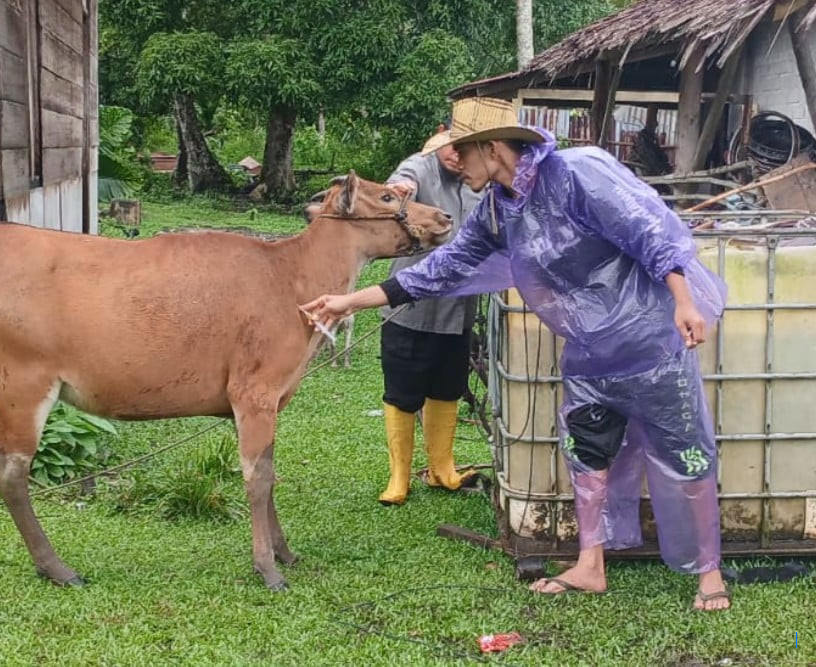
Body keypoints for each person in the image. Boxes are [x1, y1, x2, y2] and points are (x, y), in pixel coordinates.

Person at [301, 97, 731, 611]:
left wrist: (683, 301)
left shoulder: (578, 172)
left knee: (686, 450)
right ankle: (590, 565)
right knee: (588, 453)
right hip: (590, 352)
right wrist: (351, 300)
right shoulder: (498, 210)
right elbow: (439, 271)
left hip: (651, 341)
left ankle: (709, 574)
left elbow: (650, 231)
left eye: (460, 150)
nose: (454, 161)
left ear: (491, 146)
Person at [375, 124, 484, 506]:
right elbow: (400, 183)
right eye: (450, 147)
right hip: (410, 308)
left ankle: (443, 469)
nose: (457, 155)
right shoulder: (419, 168)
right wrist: (399, 192)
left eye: (464, 148)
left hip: (459, 311)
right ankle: (399, 477)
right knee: (403, 391)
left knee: (448, 387)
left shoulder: (479, 180)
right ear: (437, 142)